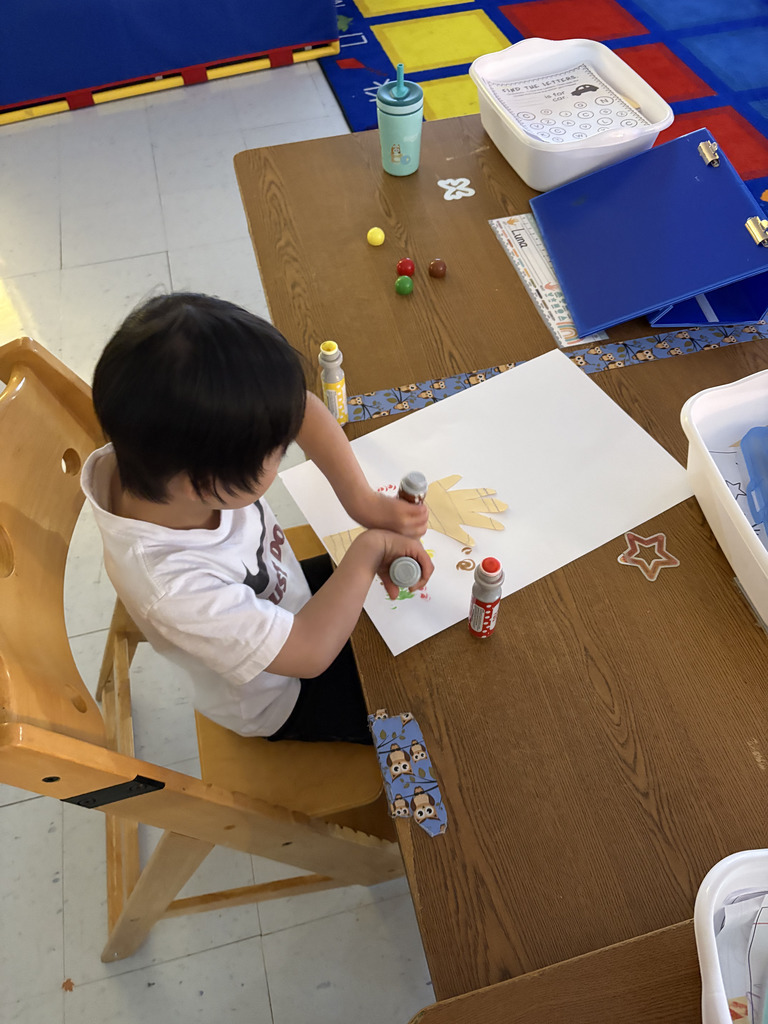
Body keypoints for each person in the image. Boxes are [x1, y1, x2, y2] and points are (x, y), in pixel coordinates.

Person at [81, 293, 432, 745]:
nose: (286, 446)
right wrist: (368, 550)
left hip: (286, 598)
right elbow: (308, 653)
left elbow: (300, 409)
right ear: (203, 486)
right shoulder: (174, 587)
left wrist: (362, 502)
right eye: (278, 453)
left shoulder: (163, 453)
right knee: (427, 710)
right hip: (281, 694)